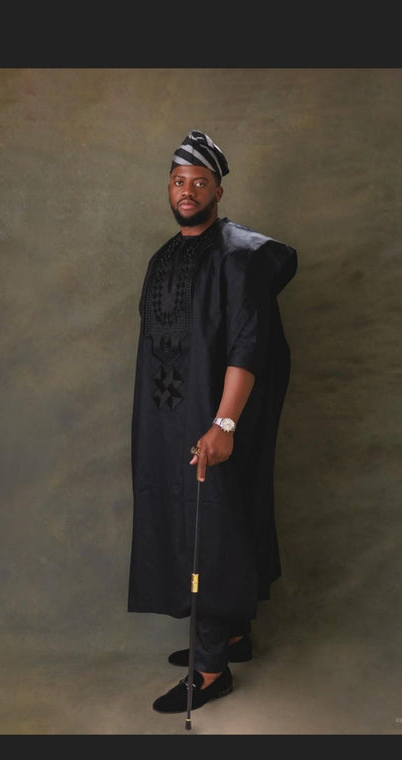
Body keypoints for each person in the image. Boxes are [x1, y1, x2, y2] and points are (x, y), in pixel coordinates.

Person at [127, 129, 297, 713]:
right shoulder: (164, 257)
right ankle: (231, 636)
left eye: (200, 182)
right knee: (193, 517)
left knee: (213, 526)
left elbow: (249, 345)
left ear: (218, 191)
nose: (188, 191)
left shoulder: (238, 256)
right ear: (168, 188)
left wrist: (223, 425)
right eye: (179, 181)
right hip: (169, 418)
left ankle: (209, 672)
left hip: (218, 413)